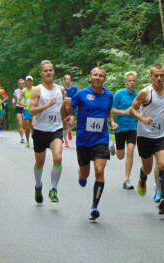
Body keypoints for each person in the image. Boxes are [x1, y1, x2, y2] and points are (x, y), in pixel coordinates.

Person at [61, 66, 118, 220]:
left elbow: (108, 112)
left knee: (99, 170)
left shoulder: (108, 95)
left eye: (101, 75)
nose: (98, 78)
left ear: (104, 79)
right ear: (90, 77)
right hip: (84, 140)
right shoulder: (81, 94)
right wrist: (64, 104)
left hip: (101, 139)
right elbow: (67, 112)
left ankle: (94, 206)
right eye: (95, 75)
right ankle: (82, 174)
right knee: (85, 173)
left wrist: (112, 122)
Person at [129, 64, 164, 215]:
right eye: (156, 76)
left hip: (163, 135)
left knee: (162, 164)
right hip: (145, 135)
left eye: (162, 75)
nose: (159, 78)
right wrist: (142, 118)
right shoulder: (145, 93)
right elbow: (132, 109)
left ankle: (163, 200)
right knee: (147, 168)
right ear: (151, 77)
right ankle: (142, 175)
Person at [29, 60, 65, 204]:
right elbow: (31, 111)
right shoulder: (37, 90)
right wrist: (46, 105)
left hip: (56, 129)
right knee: (40, 163)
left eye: (50, 70)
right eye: (45, 71)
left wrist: (67, 110)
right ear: (41, 73)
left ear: (54, 72)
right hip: (40, 131)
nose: (48, 73)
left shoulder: (60, 89)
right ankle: (38, 186)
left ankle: (53, 189)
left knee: (58, 158)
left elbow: (62, 111)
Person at [110, 71, 138, 190]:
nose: (131, 83)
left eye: (133, 81)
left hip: (132, 127)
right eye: (129, 81)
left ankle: (126, 179)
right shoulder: (119, 94)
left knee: (130, 151)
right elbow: (111, 109)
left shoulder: (138, 95)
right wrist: (125, 112)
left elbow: (139, 110)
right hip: (120, 127)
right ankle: (115, 145)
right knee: (120, 156)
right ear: (125, 82)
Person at [18, 76, 35, 147]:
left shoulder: (35, 89)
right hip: (26, 110)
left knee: (33, 126)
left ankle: (35, 139)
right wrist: (23, 104)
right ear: (26, 82)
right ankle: (27, 141)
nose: (29, 82)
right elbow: (19, 101)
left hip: (34, 110)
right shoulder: (23, 91)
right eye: (28, 80)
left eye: (30, 80)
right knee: (27, 127)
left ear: (32, 82)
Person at [62, 74, 77, 147]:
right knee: (64, 124)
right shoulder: (62, 89)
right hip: (64, 109)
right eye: (66, 79)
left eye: (69, 79)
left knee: (71, 123)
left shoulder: (74, 88)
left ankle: (69, 131)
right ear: (64, 80)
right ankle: (66, 141)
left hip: (72, 108)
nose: (68, 80)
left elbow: (76, 98)